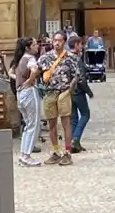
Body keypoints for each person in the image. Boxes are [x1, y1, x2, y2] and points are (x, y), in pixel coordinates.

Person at [37, 31, 79, 165]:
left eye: (59, 40)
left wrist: (70, 90)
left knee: (66, 123)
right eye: (55, 40)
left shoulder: (70, 57)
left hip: (63, 92)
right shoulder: (45, 57)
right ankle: (55, 152)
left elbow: (76, 75)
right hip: (49, 93)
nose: (56, 43)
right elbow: (37, 70)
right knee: (52, 125)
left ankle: (67, 153)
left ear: (64, 41)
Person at [12, 36, 43, 166]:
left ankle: (23, 154)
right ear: (28, 47)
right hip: (29, 92)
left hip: (21, 93)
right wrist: (31, 80)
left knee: (28, 125)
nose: (37, 46)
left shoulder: (20, 59)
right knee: (33, 124)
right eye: (35, 44)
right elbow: (34, 69)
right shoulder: (30, 58)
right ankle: (26, 156)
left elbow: (12, 73)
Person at [68, 33, 93, 151]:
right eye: (81, 44)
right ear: (76, 45)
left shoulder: (66, 57)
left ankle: (74, 143)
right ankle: (75, 139)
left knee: (73, 118)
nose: (82, 47)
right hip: (78, 91)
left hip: (69, 92)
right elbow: (81, 79)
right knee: (85, 114)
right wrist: (89, 92)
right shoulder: (77, 59)